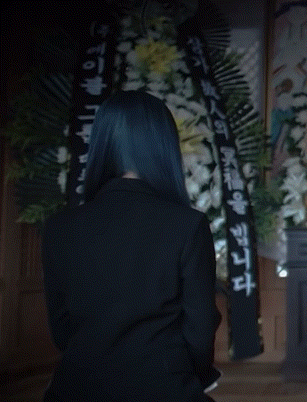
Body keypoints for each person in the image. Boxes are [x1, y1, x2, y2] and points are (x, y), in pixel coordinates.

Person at [41, 90, 221, 401]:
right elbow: (200, 327)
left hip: (77, 387)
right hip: (164, 387)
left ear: (102, 145)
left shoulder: (60, 227)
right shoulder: (187, 225)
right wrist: (193, 376)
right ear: (165, 148)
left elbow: (61, 328)